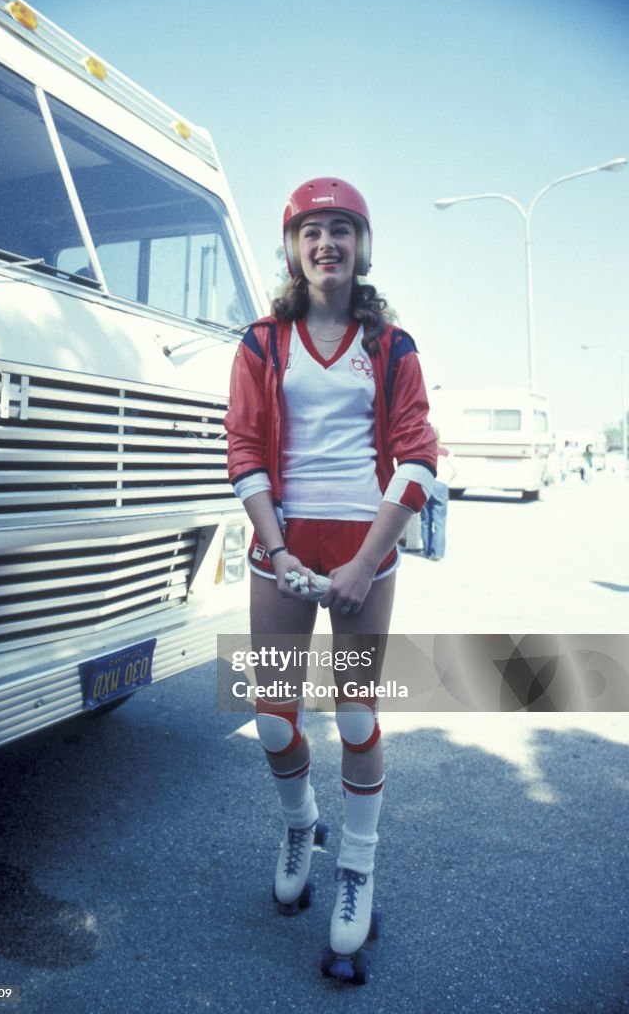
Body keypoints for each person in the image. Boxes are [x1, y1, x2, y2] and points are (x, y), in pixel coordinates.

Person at [224, 177, 437, 973]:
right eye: (312, 231)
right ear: (292, 247)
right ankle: (298, 822)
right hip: (280, 549)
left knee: (353, 716)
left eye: (342, 229)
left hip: (365, 554)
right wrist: (277, 551)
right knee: (274, 716)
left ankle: (356, 870)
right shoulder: (260, 343)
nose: (327, 244)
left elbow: (418, 458)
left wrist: (365, 560)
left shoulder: (394, 346)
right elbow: (243, 449)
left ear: (362, 245)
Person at [420, 426, 456, 561]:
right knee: (439, 521)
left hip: (426, 484)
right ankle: (438, 553)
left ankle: (426, 550)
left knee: (425, 520)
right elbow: (456, 469)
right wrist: (447, 481)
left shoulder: (423, 451)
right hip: (441, 485)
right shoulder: (446, 452)